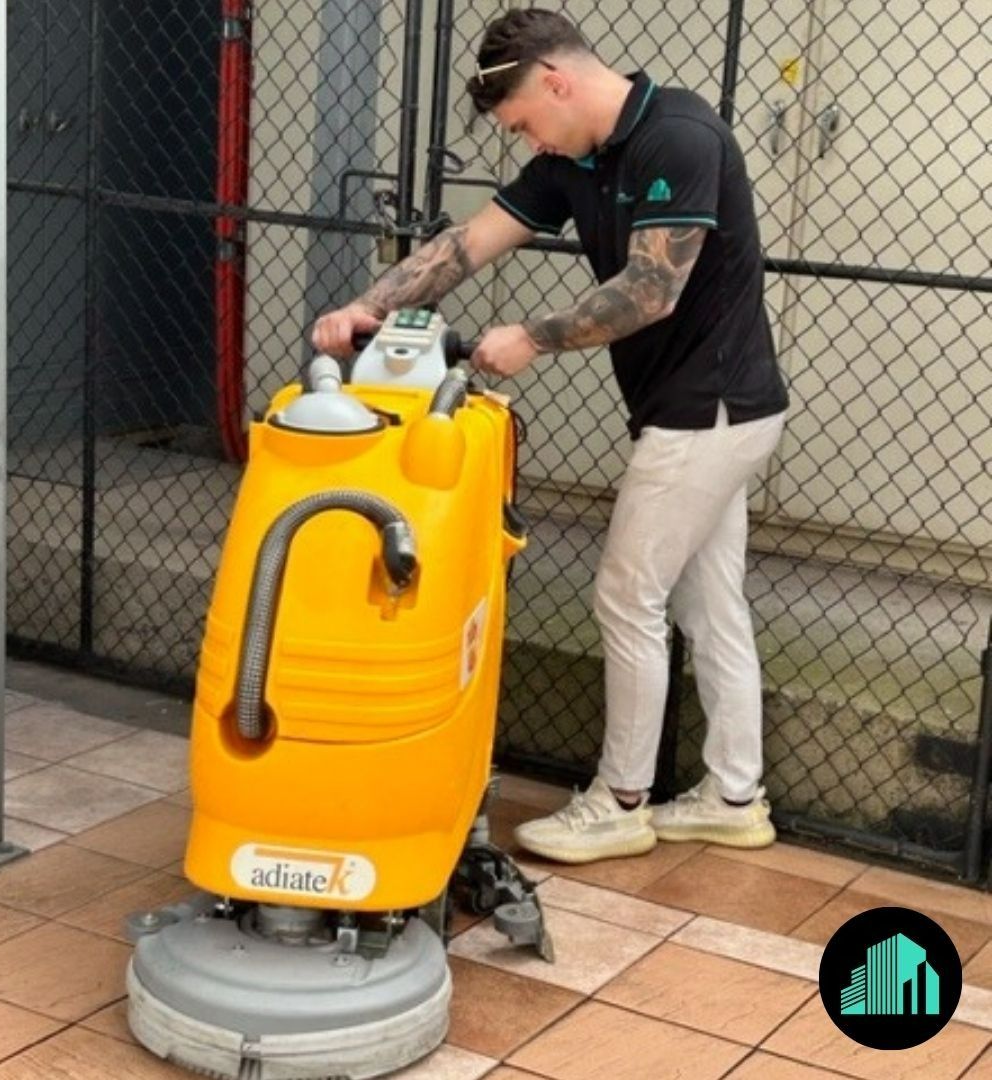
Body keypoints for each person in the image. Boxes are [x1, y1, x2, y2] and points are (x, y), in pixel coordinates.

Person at [312, 7, 788, 864]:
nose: (529, 139)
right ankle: (734, 793)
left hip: (707, 410)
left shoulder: (678, 138)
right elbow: (467, 244)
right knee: (707, 602)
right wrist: (365, 308)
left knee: (626, 594)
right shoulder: (576, 157)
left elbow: (652, 290)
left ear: (557, 82)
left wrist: (528, 337)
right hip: (700, 409)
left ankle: (620, 801)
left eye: (527, 121)